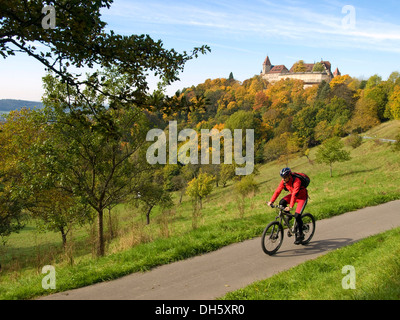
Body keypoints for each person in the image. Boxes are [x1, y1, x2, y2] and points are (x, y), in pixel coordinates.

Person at [267, 167, 309, 244]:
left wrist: (290, 207)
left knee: (297, 216)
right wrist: (271, 201)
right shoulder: (284, 181)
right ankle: (288, 216)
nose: (283, 179)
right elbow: (278, 191)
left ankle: (301, 235)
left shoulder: (297, 181)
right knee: (282, 202)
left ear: (289, 176)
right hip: (293, 196)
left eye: (285, 177)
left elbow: (295, 194)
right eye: (282, 177)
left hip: (302, 198)